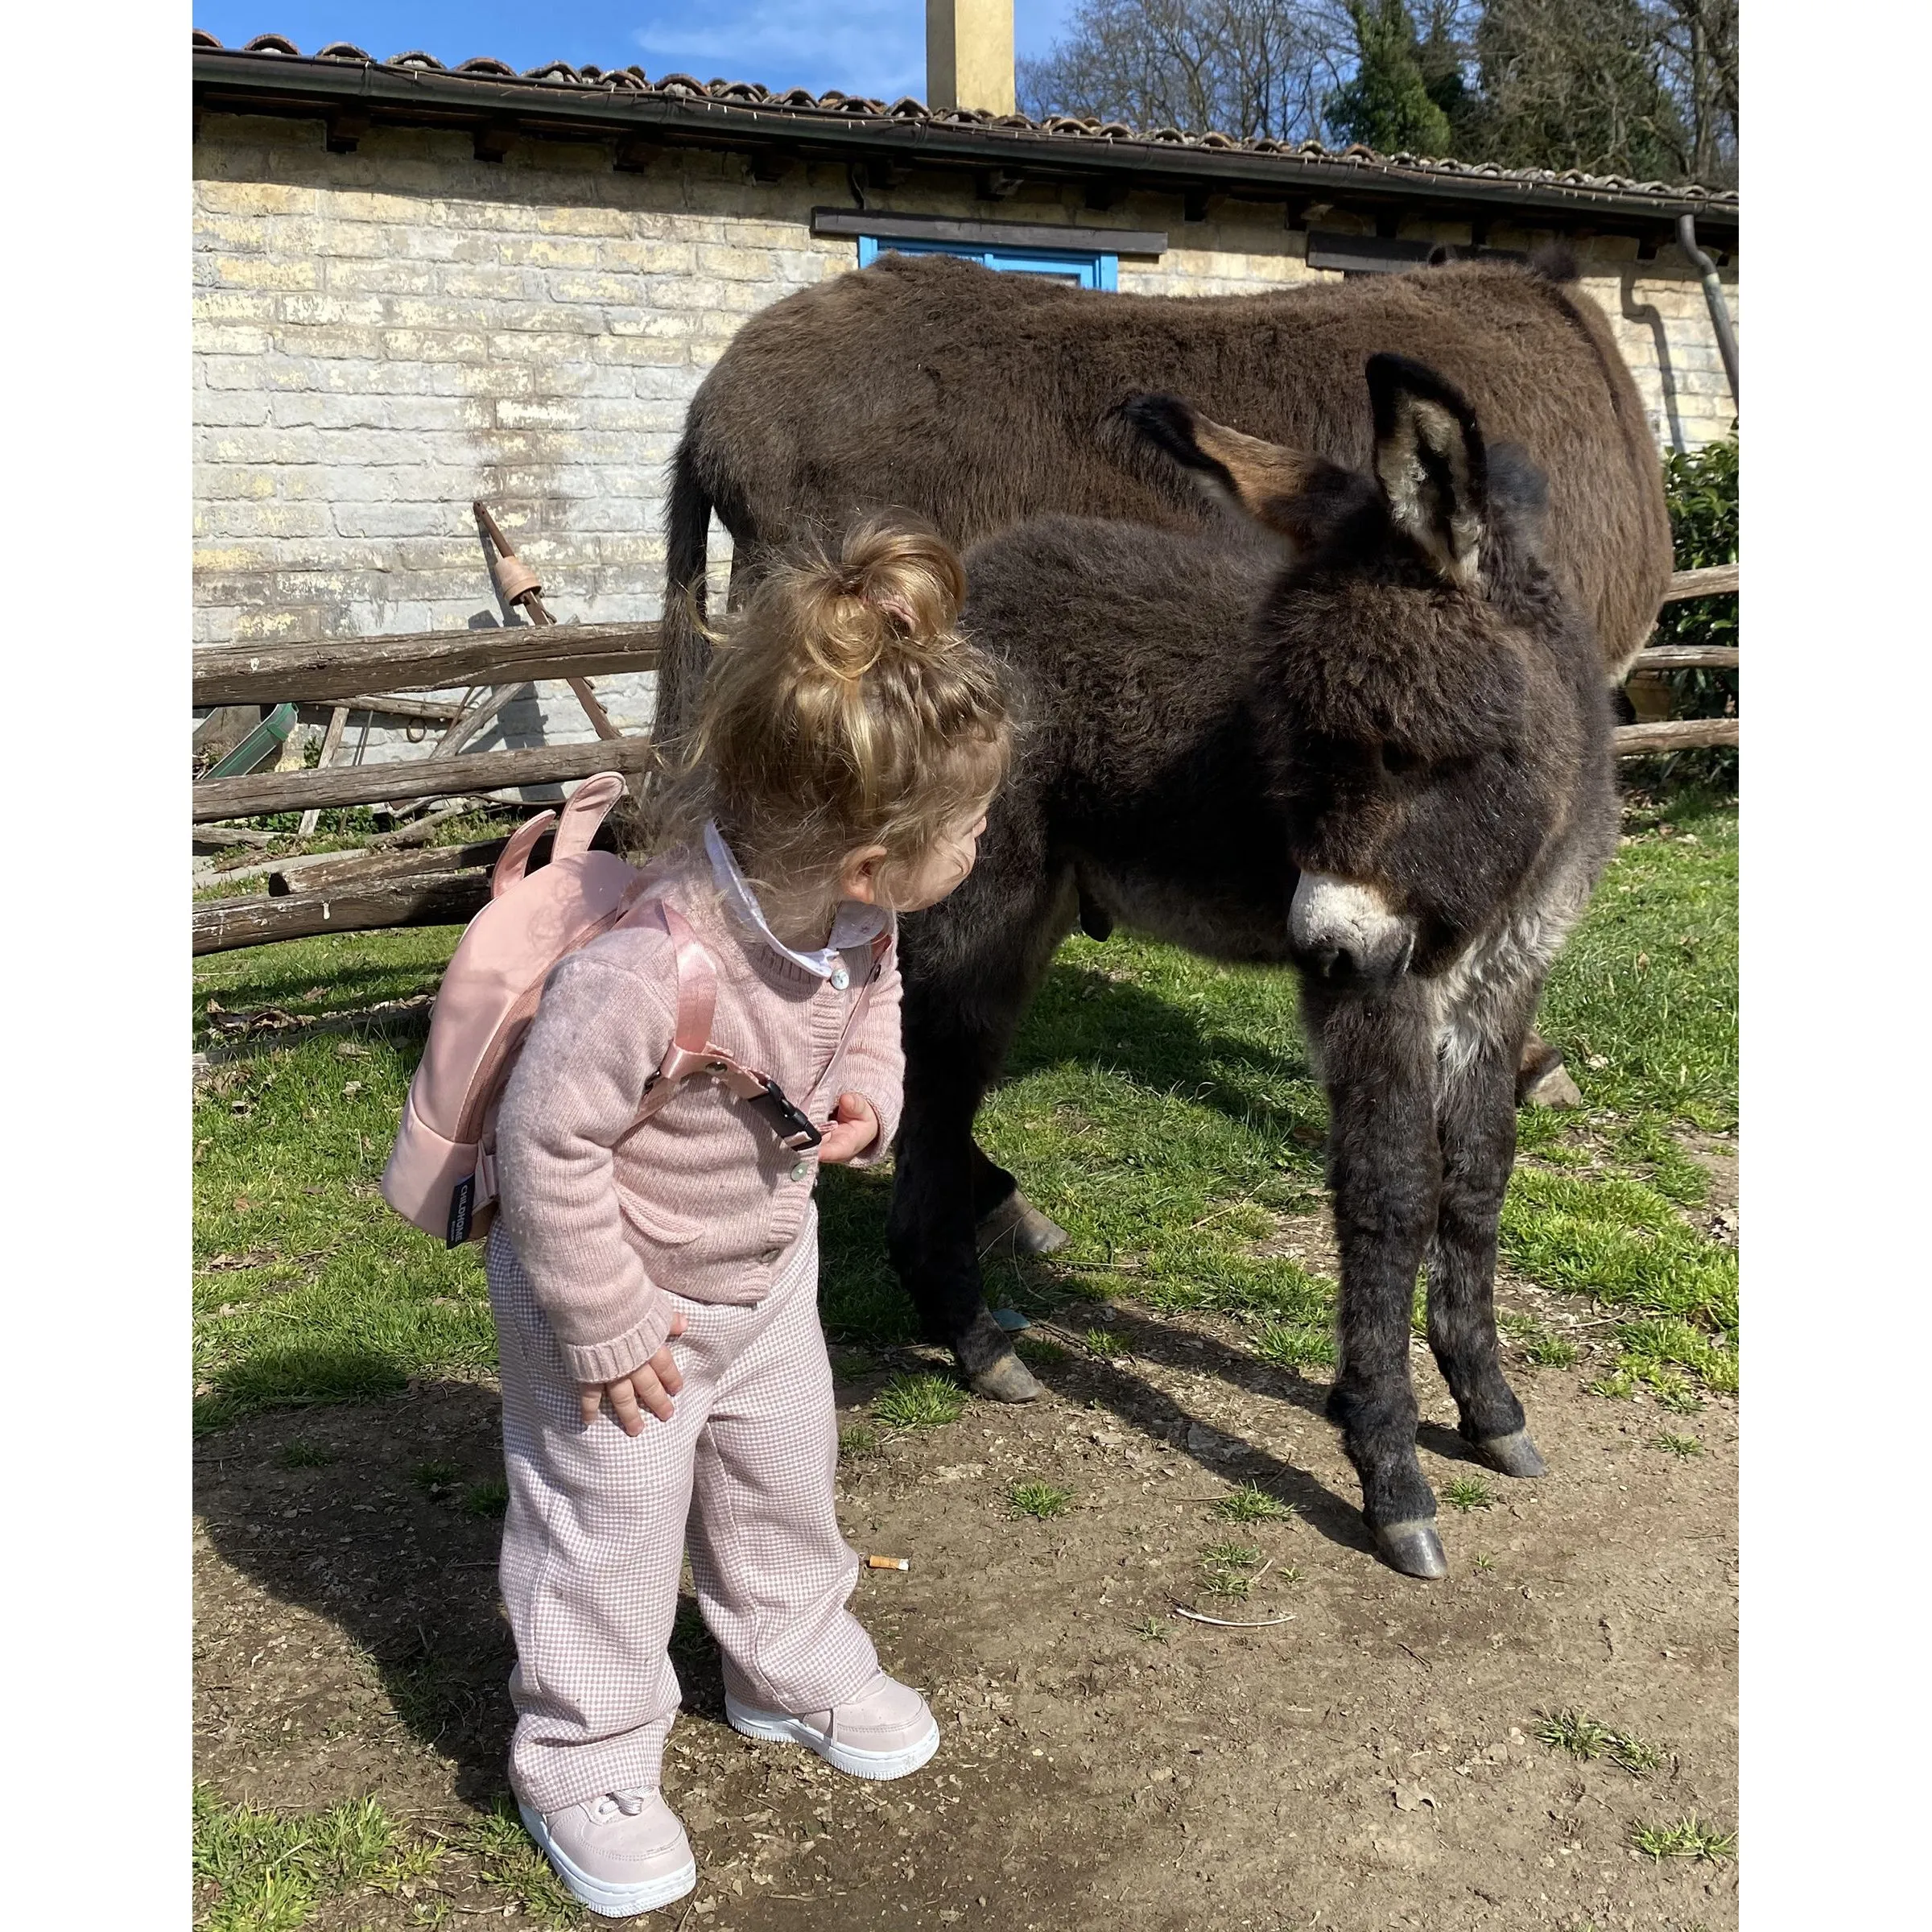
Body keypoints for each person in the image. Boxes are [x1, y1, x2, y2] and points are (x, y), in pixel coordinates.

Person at [486, 518, 1012, 1918]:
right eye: (968, 831)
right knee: (607, 1532)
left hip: (765, 1275)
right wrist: (602, 1328)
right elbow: (546, 1143)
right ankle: (583, 1756)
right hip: (625, 1302)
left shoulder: (854, 926)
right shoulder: (651, 974)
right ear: (865, 857)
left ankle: (788, 1657)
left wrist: (876, 1096)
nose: (982, 847)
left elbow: (876, 1005)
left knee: (782, 1476)